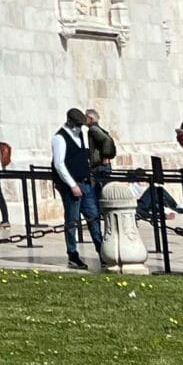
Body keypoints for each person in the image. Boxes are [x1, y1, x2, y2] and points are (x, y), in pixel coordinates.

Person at [51, 108, 104, 270]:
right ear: (70, 122)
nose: (79, 128)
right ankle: (72, 254)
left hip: (86, 182)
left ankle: (102, 251)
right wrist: (72, 185)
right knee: (72, 220)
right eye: (77, 124)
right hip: (71, 186)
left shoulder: (79, 134)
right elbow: (59, 164)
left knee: (93, 217)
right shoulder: (59, 137)